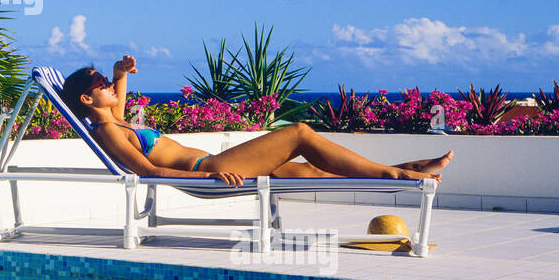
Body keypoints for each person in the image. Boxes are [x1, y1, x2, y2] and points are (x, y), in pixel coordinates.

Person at [59, 56, 452, 187]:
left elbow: (118, 106)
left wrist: (118, 70)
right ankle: (398, 176)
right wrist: (207, 178)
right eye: (101, 84)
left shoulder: (115, 122)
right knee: (298, 133)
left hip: (212, 163)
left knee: (308, 171)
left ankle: (406, 169)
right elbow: (147, 170)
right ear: (85, 98)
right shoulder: (108, 130)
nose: (109, 85)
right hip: (210, 169)